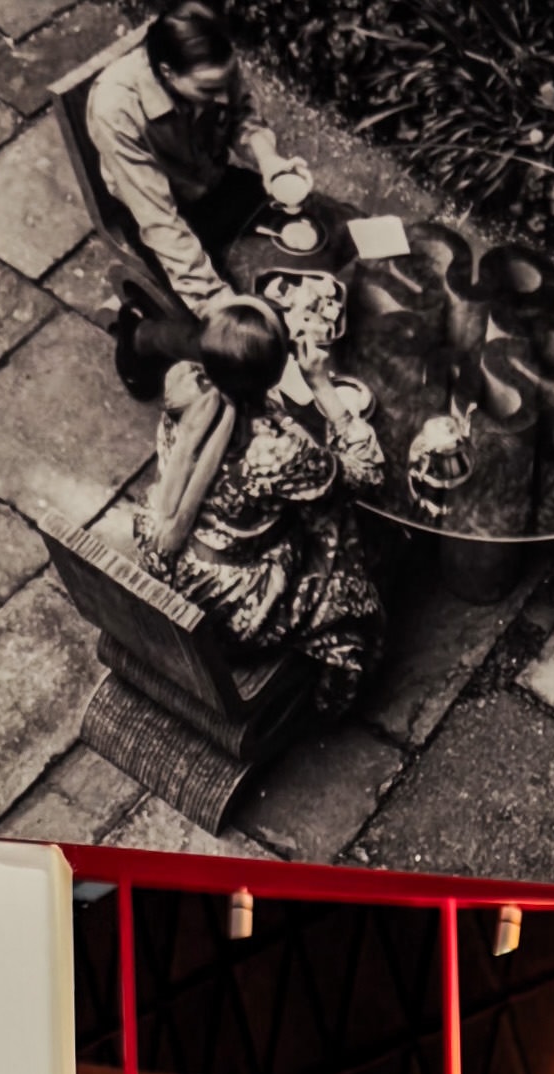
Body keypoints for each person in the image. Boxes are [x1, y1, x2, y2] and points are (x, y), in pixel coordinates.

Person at [134, 299, 384, 723]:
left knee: (304, 504)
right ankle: (332, 702)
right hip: (229, 606)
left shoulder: (183, 386)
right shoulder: (276, 451)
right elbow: (368, 473)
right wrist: (321, 385)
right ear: (278, 370)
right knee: (337, 525)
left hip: (170, 554)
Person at [91, 8, 267, 393]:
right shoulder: (115, 108)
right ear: (168, 73)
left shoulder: (211, 62)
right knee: (242, 348)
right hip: (162, 216)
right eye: (208, 91)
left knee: (312, 230)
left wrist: (267, 158)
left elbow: (242, 114)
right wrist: (217, 303)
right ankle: (142, 336)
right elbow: (160, 222)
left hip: (213, 183)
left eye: (226, 82)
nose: (223, 97)